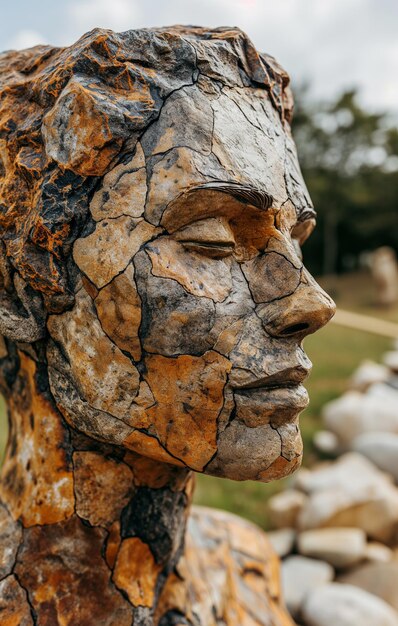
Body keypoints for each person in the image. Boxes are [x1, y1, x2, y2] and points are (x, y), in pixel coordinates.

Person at [0, 26, 335, 625]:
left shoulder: (246, 571)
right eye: (211, 240)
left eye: (296, 238)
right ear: (21, 290)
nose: (311, 303)